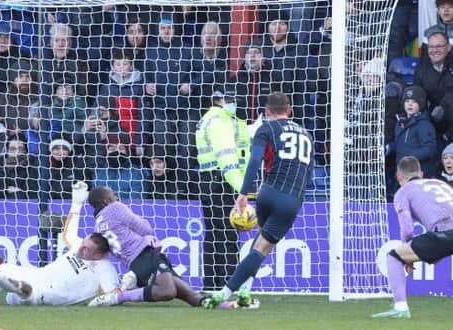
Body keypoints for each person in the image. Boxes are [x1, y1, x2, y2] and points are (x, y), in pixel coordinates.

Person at [203, 92, 313, 308]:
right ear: (289, 111)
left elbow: (255, 162)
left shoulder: (266, 128)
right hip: (290, 197)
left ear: (267, 112)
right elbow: (309, 172)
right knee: (262, 248)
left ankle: (245, 290)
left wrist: (243, 194)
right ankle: (225, 294)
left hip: (267, 192)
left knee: (259, 244)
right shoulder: (306, 134)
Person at [371, 156, 453, 319]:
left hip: (449, 234)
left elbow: (407, 229)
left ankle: (400, 307)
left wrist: (406, 255)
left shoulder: (403, 192)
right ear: (421, 174)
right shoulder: (440, 183)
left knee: (394, 257)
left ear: (398, 177)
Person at [83, 186, 243, 310]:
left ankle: (227, 306)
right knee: (167, 291)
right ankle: (118, 296)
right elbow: (145, 229)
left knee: (189, 295)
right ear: (105, 201)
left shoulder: (98, 224)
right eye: (113, 195)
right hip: (144, 256)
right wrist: (147, 237)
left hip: (136, 263)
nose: (116, 197)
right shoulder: (114, 208)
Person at [195, 90, 250, 291]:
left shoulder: (208, 118)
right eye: (230, 100)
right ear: (220, 100)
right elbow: (226, 155)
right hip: (222, 179)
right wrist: (242, 188)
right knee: (227, 233)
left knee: (214, 233)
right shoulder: (220, 120)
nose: (233, 104)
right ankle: (228, 284)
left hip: (208, 178)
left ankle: (211, 283)